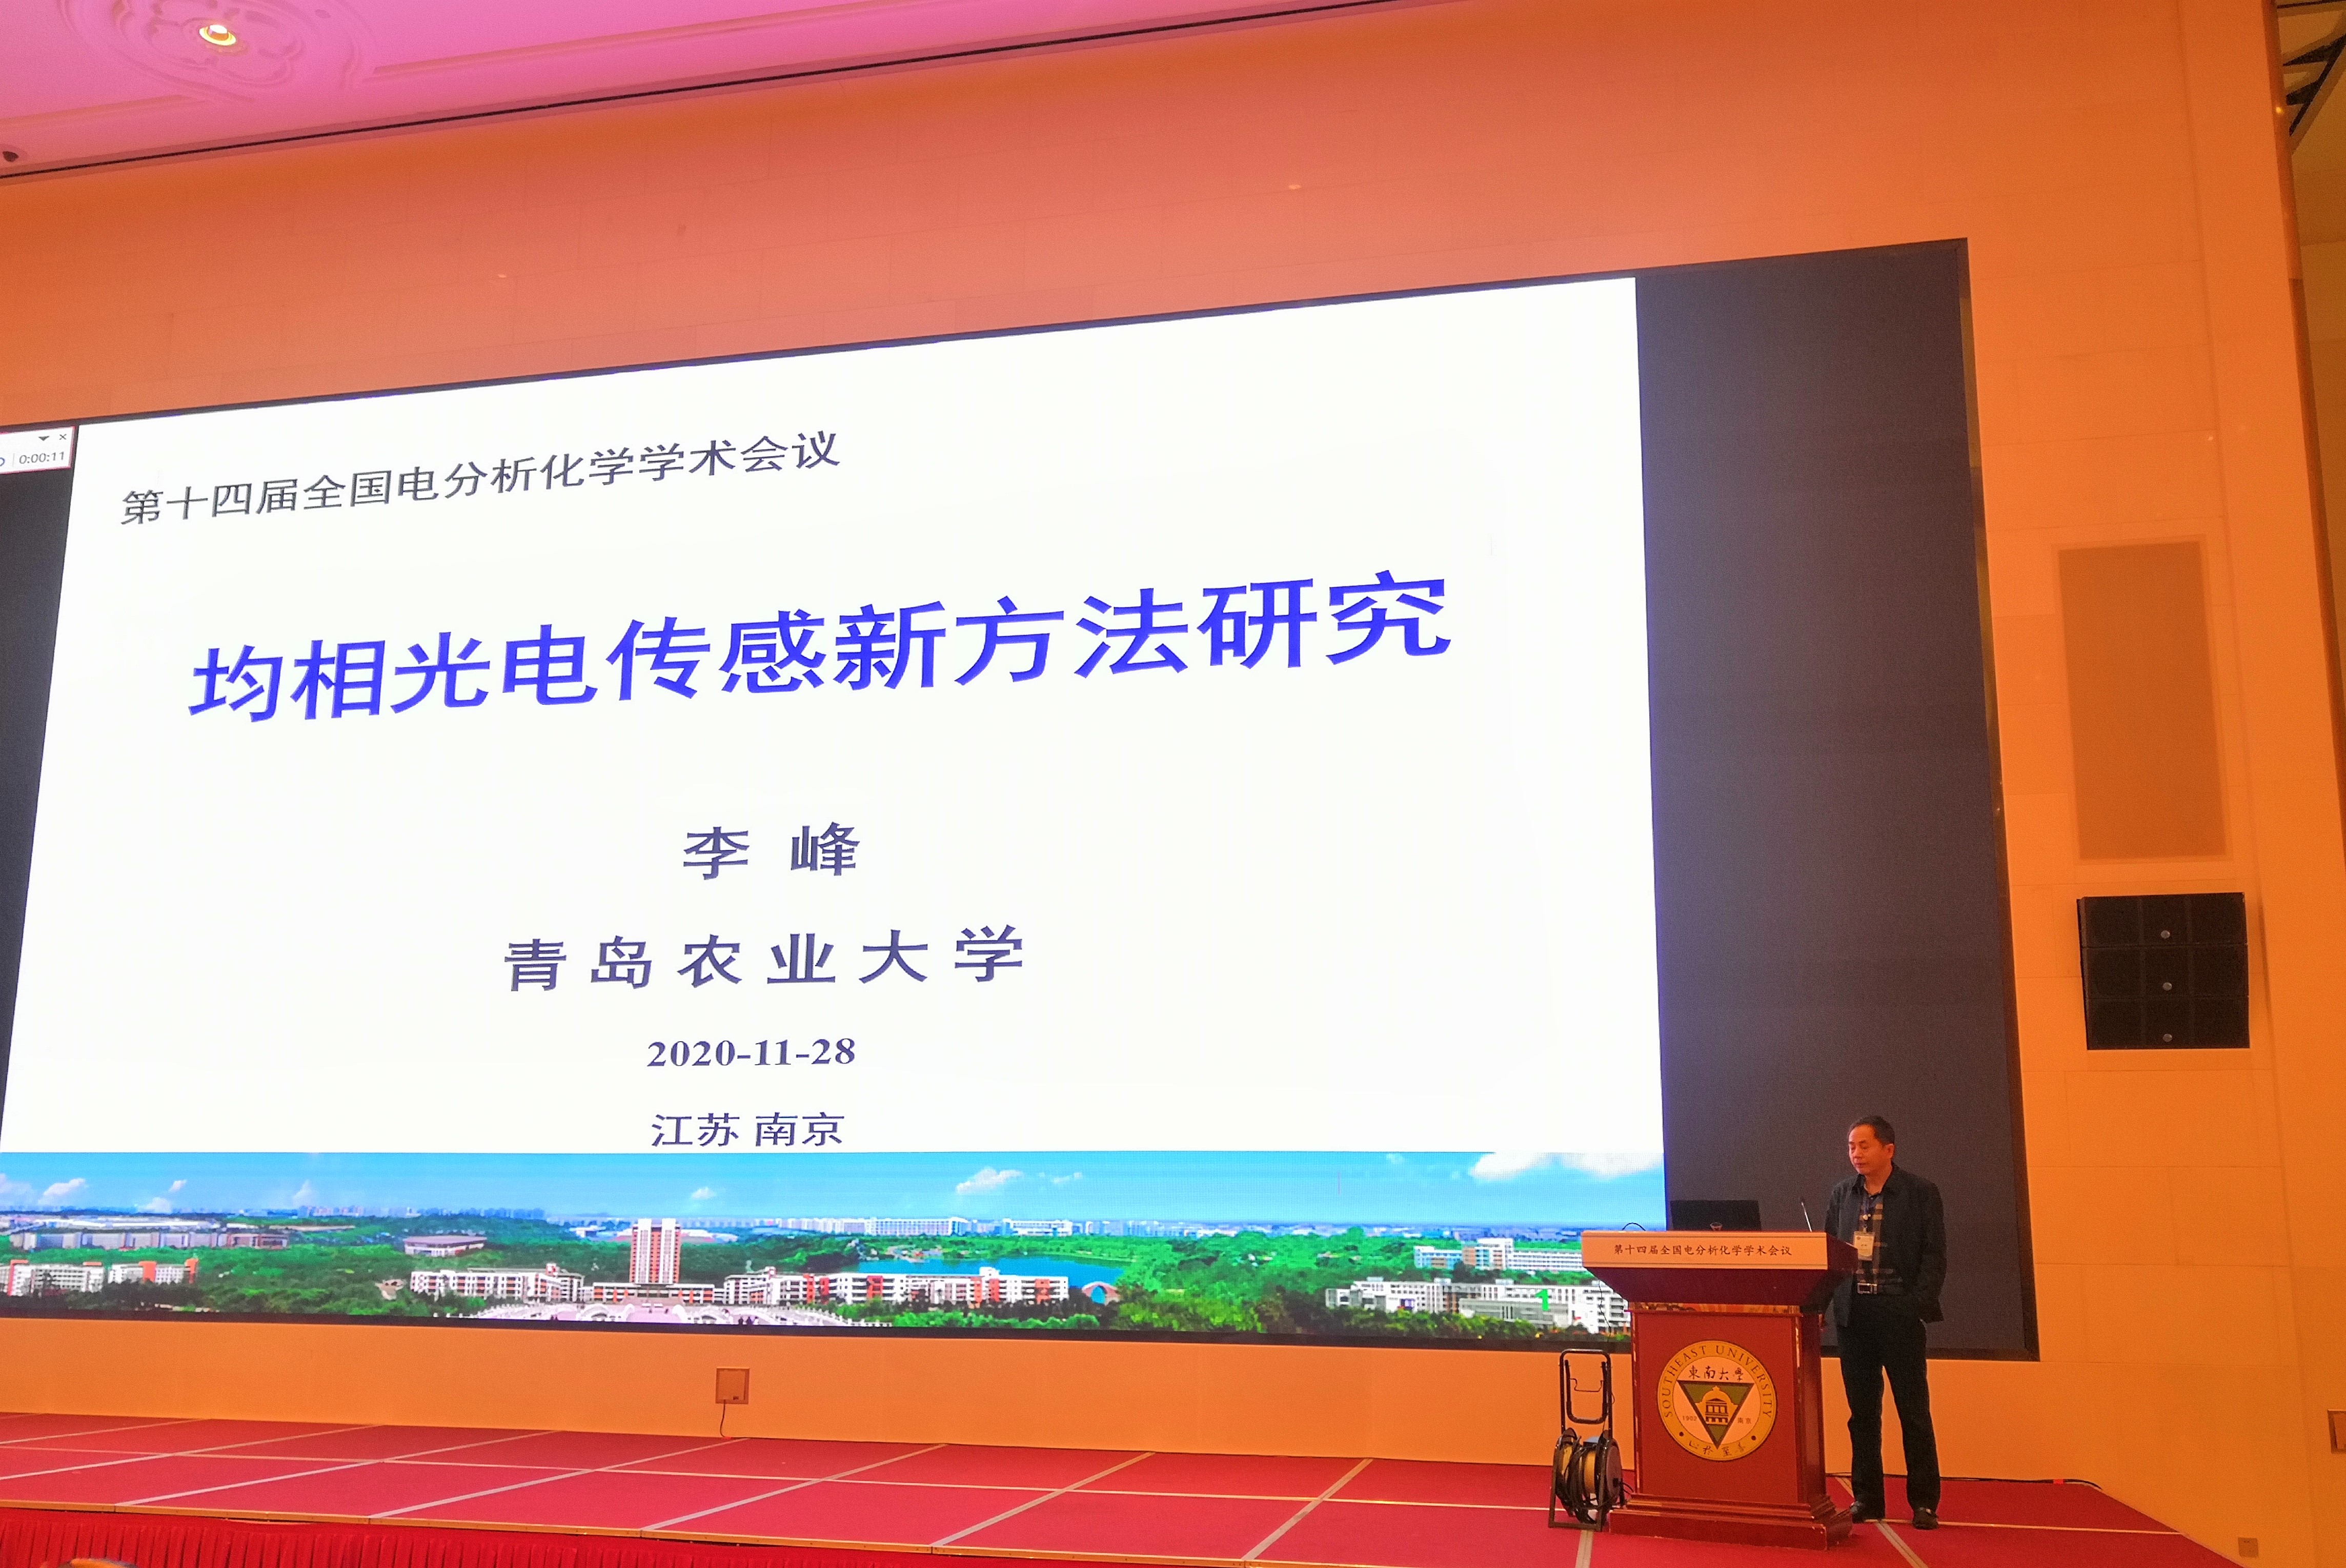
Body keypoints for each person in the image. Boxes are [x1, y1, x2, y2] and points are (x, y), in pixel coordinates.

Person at [1824, 1113, 1946, 1530]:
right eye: (1851, 1147)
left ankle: (1924, 1502)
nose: (1856, 1153)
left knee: (1913, 1411)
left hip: (1899, 1313)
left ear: (1888, 1149)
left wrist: (1915, 1305)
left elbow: (1934, 1255)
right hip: (1854, 1315)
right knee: (1862, 1413)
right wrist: (1820, 1306)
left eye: (1864, 1145)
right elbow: (1829, 1254)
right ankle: (1868, 1498)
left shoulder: (1920, 1192)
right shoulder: (1843, 1194)